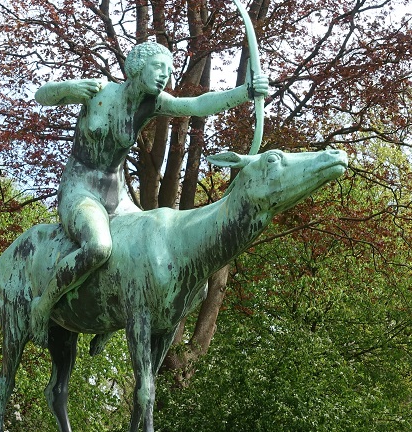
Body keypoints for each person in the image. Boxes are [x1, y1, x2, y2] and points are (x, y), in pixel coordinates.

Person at [29, 41, 268, 344]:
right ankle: (44, 304)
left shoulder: (153, 103)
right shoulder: (100, 91)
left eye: (168, 71)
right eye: (158, 68)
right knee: (99, 247)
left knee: (142, 251)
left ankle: (109, 320)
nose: (163, 76)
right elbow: (42, 96)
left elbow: (196, 106)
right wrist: (70, 87)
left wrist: (246, 92)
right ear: (137, 67)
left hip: (117, 197)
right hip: (80, 190)